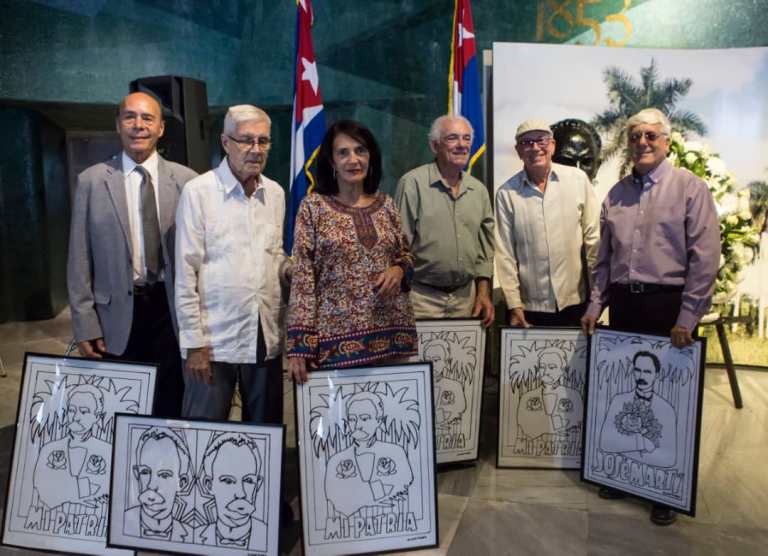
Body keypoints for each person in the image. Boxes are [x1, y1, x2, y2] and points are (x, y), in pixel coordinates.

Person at [581, 107, 720, 526]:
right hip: (625, 304)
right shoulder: (615, 194)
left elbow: (706, 258)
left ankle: (663, 488)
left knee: (664, 399)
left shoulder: (690, 189)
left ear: (667, 142)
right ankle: (623, 475)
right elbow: (602, 260)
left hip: (668, 308)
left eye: (651, 136)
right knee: (627, 391)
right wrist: (594, 306)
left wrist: (688, 316)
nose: (643, 142)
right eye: (636, 135)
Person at [67, 92, 197, 418]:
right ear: (118, 124)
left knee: (171, 405)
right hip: (115, 318)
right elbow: (79, 259)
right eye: (130, 117)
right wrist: (85, 325)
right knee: (121, 408)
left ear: (161, 128)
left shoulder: (189, 183)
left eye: (147, 118)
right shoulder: (92, 182)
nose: (138, 125)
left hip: (171, 313)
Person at [175, 105, 289, 423]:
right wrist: (194, 344)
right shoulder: (198, 192)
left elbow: (274, 256)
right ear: (225, 142)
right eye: (246, 140)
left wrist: (292, 269)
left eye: (263, 141)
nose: (256, 149)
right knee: (203, 434)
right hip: (214, 341)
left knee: (265, 433)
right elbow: (185, 272)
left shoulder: (276, 193)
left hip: (263, 334)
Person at [286, 120, 418, 381]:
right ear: (332, 161)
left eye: (361, 151)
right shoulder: (314, 207)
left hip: (393, 336)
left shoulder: (387, 204)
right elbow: (302, 278)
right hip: (335, 345)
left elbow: (406, 254)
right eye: (343, 152)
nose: (353, 159)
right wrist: (298, 346)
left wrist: (399, 269)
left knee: (393, 416)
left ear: (371, 157)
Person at [495, 120, 600, 327]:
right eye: (527, 142)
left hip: (576, 304)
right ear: (518, 150)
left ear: (552, 146)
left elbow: (594, 242)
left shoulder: (578, 180)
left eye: (541, 140)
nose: (535, 147)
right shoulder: (506, 194)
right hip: (530, 310)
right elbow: (505, 254)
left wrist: (596, 300)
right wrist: (514, 306)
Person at [394, 115, 495, 327]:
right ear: (434, 145)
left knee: (463, 361)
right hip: (422, 299)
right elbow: (399, 246)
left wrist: (483, 293)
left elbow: (485, 252)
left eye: (466, 138)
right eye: (452, 138)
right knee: (422, 360)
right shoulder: (412, 184)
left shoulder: (479, 191)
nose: (462, 145)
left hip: (466, 300)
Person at [325, 391, 413, 518]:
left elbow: (404, 485)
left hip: (390, 519)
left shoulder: (396, 452)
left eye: (365, 418)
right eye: (352, 419)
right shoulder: (336, 460)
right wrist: (375, 494)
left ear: (379, 420)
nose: (358, 425)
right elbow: (334, 497)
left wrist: (356, 495)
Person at [33, 384, 111, 511]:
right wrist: (77, 493)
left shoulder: (108, 451)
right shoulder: (49, 449)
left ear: (97, 416)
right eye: (72, 410)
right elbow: (40, 486)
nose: (76, 417)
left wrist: (61, 488)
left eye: (84, 411)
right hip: (50, 517)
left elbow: (106, 490)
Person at [599, 351, 677, 468]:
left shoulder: (667, 410)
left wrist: (621, 448)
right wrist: (642, 443)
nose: (641, 377)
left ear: (656, 375)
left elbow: (669, 458)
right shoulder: (618, 400)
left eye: (647, 372)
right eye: (637, 370)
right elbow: (604, 442)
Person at [196, 432, 267, 550]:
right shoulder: (194, 536)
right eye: (228, 481)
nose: (241, 494)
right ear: (209, 485)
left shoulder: (268, 536)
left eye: (248, 480)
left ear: (258, 485)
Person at [124, 427, 193, 541]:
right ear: (137, 474)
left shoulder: (191, 535)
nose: (151, 485)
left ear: (182, 482)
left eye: (165, 475)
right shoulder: (120, 524)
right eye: (145, 472)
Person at [517, 347, 583, 441]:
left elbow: (577, 422)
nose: (546, 372)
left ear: (562, 370)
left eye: (552, 367)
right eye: (542, 367)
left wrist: (541, 424)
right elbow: (523, 423)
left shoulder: (574, 396)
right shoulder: (527, 397)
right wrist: (557, 424)